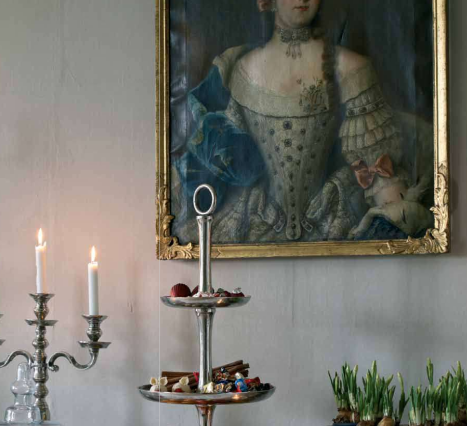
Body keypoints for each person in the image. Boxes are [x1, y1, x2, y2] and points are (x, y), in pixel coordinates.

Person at [172, 0, 430, 244]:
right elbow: (227, 156)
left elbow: (378, 170)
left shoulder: (350, 67)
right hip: (255, 220)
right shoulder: (243, 69)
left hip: (332, 218)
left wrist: (392, 213)